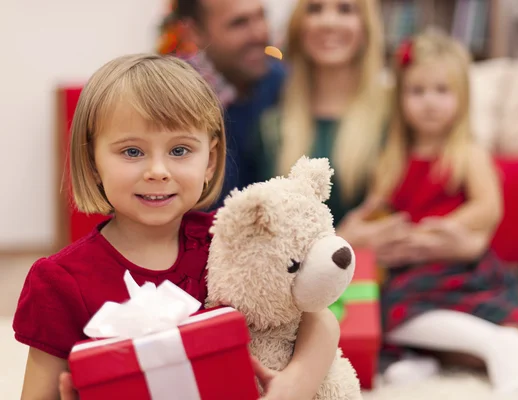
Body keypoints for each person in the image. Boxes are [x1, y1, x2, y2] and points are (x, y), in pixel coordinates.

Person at [13, 54, 341, 400]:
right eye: (132, 152)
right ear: (93, 161)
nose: (158, 170)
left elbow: (320, 320)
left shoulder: (234, 241)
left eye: (180, 150)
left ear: (210, 161)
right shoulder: (60, 282)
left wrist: (295, 384)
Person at [351, 30, 518, 393]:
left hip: (461, 266)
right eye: (417, 92)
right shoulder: (391, 160)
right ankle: (446, 352)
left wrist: (444, 228)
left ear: (462, 97)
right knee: (383, 307)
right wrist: (368, 229)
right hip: (410, 269)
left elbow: (488, 207)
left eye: (442, 91)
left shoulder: (468, 153)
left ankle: (495, 344)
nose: (429, 102)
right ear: (399, 99)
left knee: (398, 308)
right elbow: (376, 208)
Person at [254, 0, 398, 235]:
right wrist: (344, 240)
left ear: (366, 28)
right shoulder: (270, 127)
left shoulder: (397, 116)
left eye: (345, 9)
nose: (328, 22)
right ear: (299, 26)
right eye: (314, 9)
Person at [174, 0, 287, 205]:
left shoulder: (281, 83)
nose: (260, 34)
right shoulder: (173, 101)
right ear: (194, 32)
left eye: (261, 16)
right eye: (239, 23)